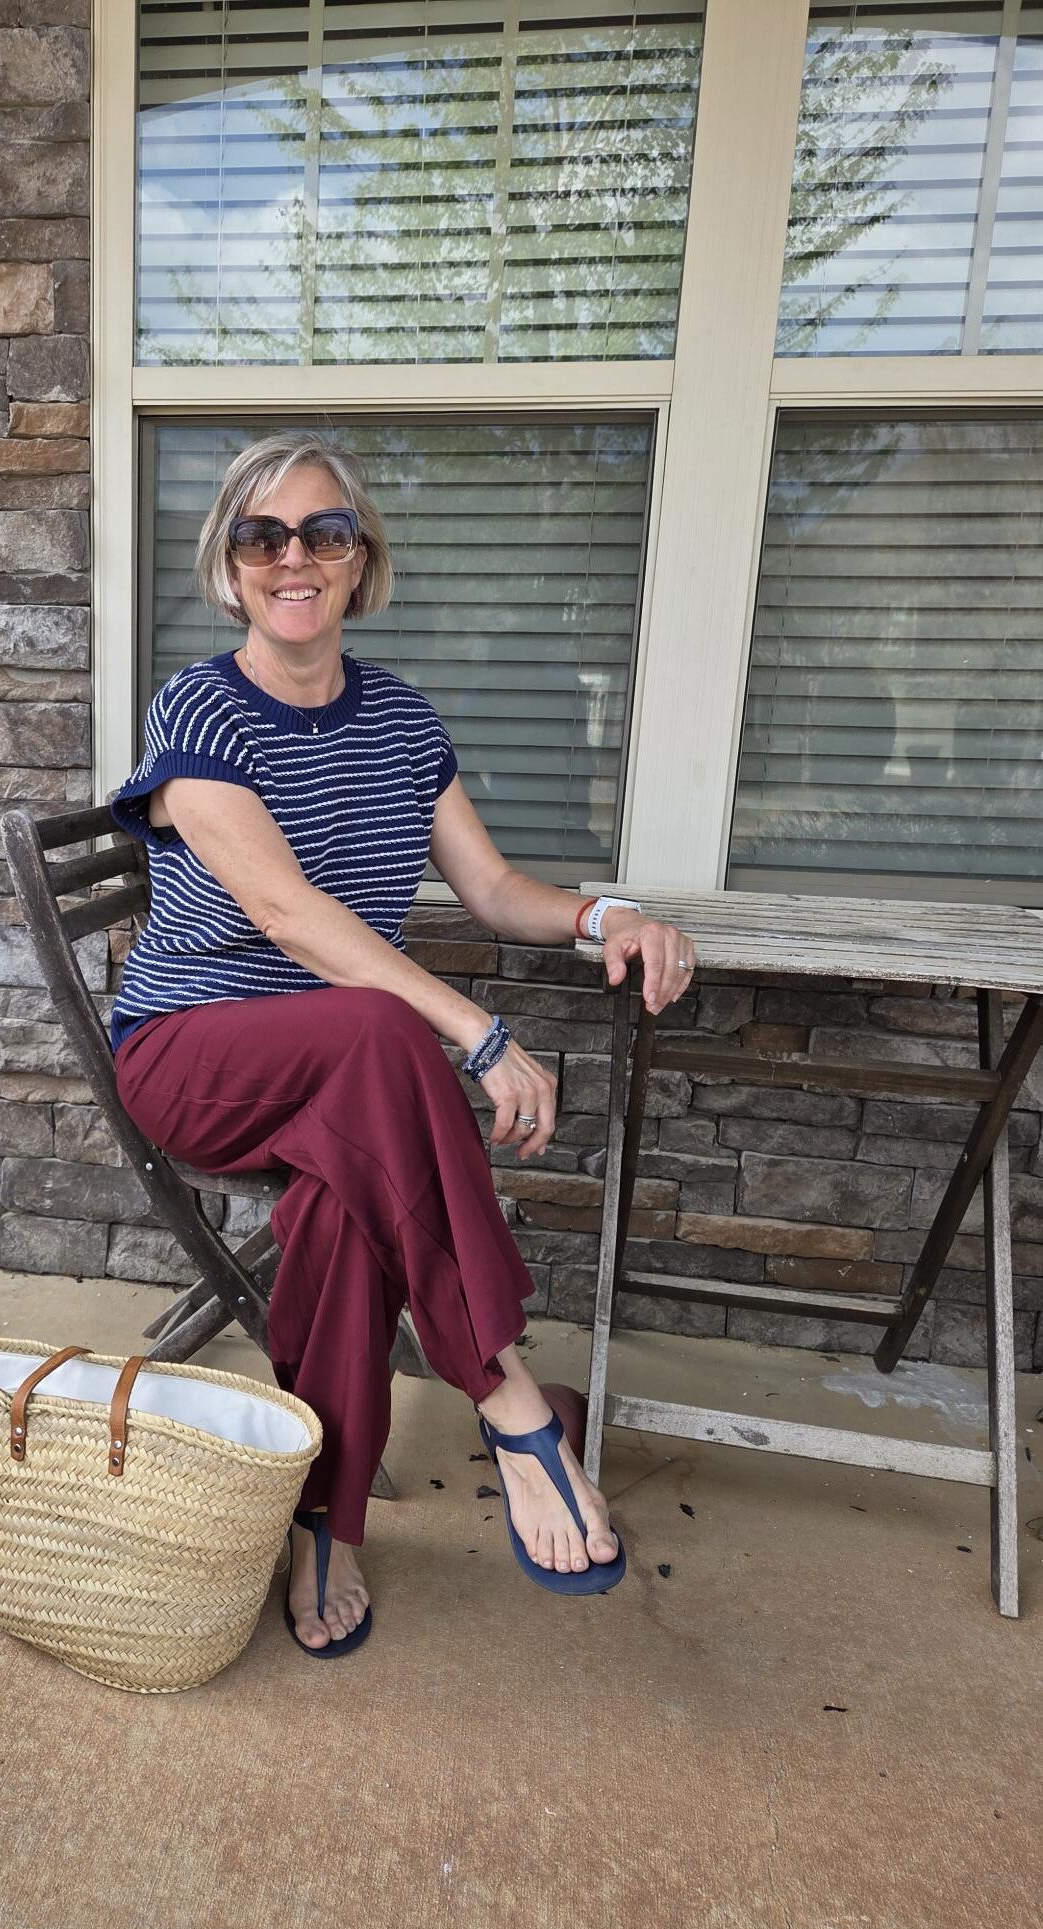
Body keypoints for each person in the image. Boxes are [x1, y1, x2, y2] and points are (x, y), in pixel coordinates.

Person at [108, 431, 695, 1656]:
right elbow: (284, 912)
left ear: (361, 560)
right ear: (229, 567)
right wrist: (475, 1031)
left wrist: (608, 916)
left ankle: (327, 1522)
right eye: (262, 535)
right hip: (194, 1056)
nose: (294, 557)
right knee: (381, 1028)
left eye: (324, 532)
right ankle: (509, 1394)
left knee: (343, 1197)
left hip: (343, 1084)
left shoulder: (401, 720)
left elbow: (493, 889)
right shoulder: (200, 708)